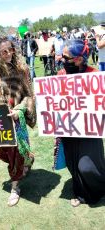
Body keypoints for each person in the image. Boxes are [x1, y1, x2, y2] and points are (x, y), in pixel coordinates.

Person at [0, 35, 36, 206]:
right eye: (3, 51)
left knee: (15, 154)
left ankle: (15, 187)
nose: (8, 54)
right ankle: (26, 159)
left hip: (15, 118)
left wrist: (19, 110)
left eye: (10, 50)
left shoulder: (21, 68)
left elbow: (29, 95)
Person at [54, 39, 105, 207]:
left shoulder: (94, 74)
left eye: (66, 57)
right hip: (69, 129)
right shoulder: (61, 75)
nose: (62, 59)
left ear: (79, 59)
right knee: (73, 163)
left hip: (89, 130)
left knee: (87, 166)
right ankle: (80, 192)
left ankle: (98, 189)